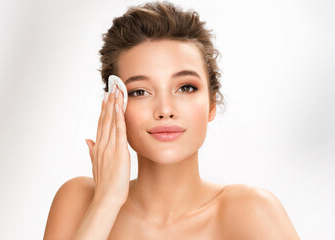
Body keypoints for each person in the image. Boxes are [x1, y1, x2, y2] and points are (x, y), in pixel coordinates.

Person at [43, 1, 300, 239]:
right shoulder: (79, 200)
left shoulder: (251, 211)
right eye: (140, 92)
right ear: (115, 105)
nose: (165, 110)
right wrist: (107, 201)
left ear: (211, 103)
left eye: (185, 88)